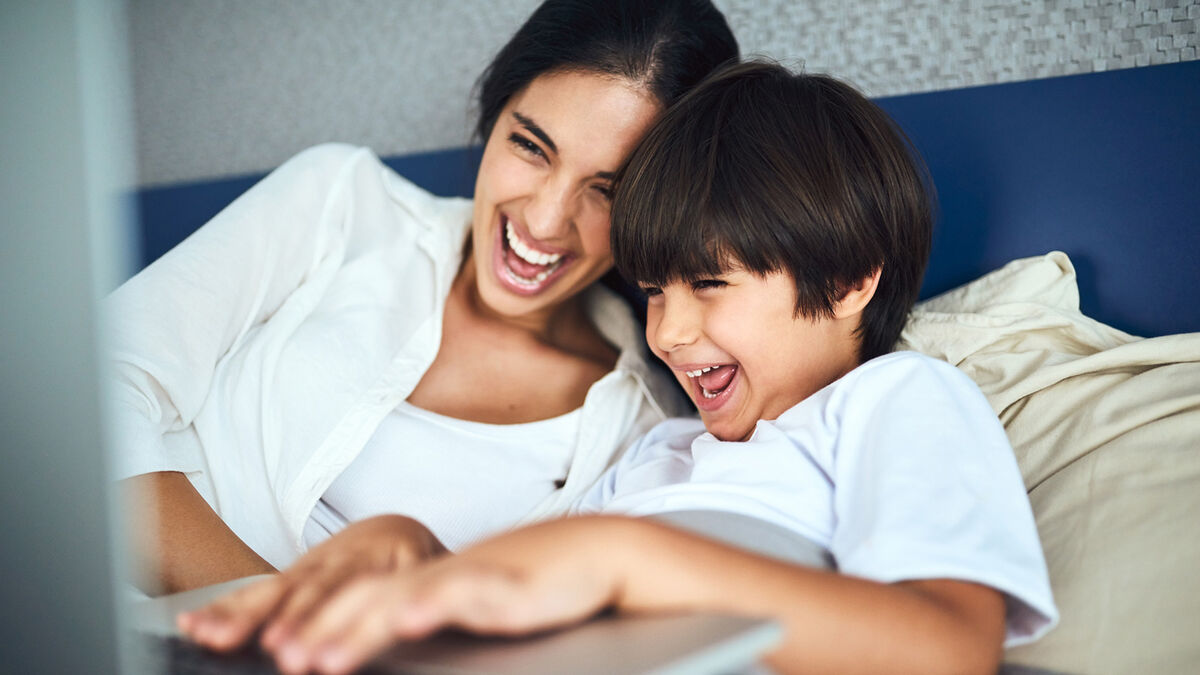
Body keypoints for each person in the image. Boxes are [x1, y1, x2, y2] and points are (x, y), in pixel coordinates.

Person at [180, 61, 1058, 675]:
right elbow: (532, 598)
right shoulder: (660, 452)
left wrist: (630, 558)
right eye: (653, 292)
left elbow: (948, 647)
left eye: (710, 284)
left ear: (849, 281)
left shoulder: (898, 397)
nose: (670, 333)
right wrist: (416, 550)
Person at [110, 0, 738, 596]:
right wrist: (279, 631)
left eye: (608, 189)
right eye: (529, 146)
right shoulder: (342, 203)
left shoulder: (645, 432)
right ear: (494, 118)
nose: (546, 220)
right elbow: (92, 392)